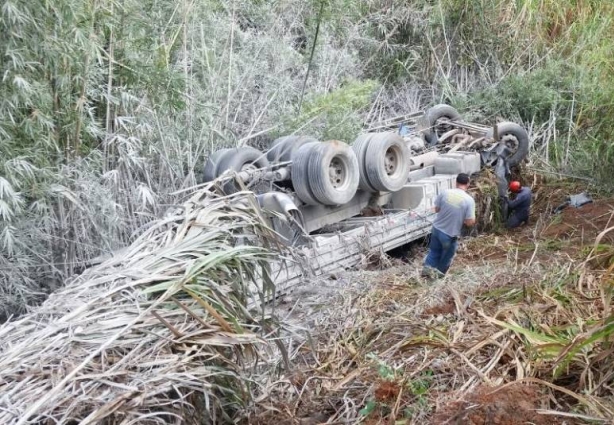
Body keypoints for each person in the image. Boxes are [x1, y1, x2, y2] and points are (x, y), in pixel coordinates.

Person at [422, 173, 476, 278]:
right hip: (449, 235)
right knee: (446, 257)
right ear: (468, 184)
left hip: (436, 229)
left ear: (456, 182)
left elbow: (437, 209)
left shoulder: (445, 192)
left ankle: (426, 274)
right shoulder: (469, 200)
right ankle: (438, 278)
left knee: (433, 252)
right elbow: (470, 222)